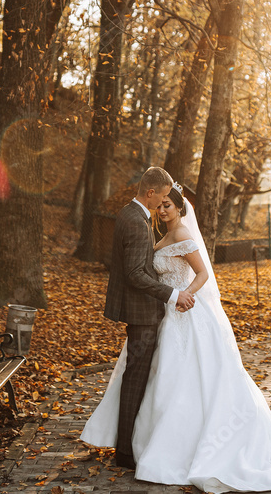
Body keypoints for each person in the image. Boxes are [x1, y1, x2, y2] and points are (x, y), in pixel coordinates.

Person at [82, 183, 271, 492]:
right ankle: (149, 442)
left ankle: (188, 446)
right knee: (164, 379)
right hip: (167, 315)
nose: (162, 210)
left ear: (180, 208)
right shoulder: (162, 236)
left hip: (187, 315)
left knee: (189, 378)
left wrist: (183, 295)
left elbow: (202, 275)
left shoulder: (184, 236)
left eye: (168, 206)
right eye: (160, 205)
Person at [95, 166, 195, 469]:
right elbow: (135, 273)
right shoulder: (138, 222)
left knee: (137, 376)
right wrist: (173, 294)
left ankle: (129, 442)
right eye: (162, 197)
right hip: (142, 312)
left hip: (141, 309)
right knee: (135, 378)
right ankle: (125, 450)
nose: (163, 203)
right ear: (150, 192)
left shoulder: (129, 213)